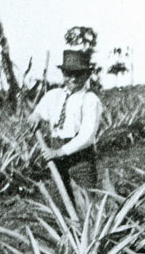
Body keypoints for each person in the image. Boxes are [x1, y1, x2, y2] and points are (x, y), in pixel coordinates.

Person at [27, 49, 104, 202]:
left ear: (87, 75)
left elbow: (87, 136)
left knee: (86, 199)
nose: (73, 79)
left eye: (78, 74)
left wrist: (59, 152)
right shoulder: (53, 95)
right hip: (56, 153)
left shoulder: (90, 100)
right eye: (69, 74)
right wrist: (35, 116)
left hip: (80, 158)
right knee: (61, 198)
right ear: (63, 74)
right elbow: (39, 112)